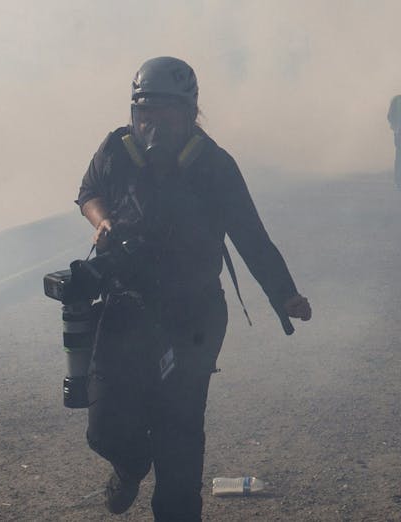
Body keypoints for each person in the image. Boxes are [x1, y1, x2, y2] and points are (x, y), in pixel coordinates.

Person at [76, 57, 313, 520]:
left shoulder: (215, 166)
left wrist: (284, 293)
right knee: (103, 427)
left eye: (166, 117)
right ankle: (129, 465)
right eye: (145, 115)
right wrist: (102, 221)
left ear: (189, 115)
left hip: (192, 316)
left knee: (178, 431)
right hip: (126, 307)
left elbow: (251, 237)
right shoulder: (115, 149)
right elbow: (88, 191)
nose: (153, 128)